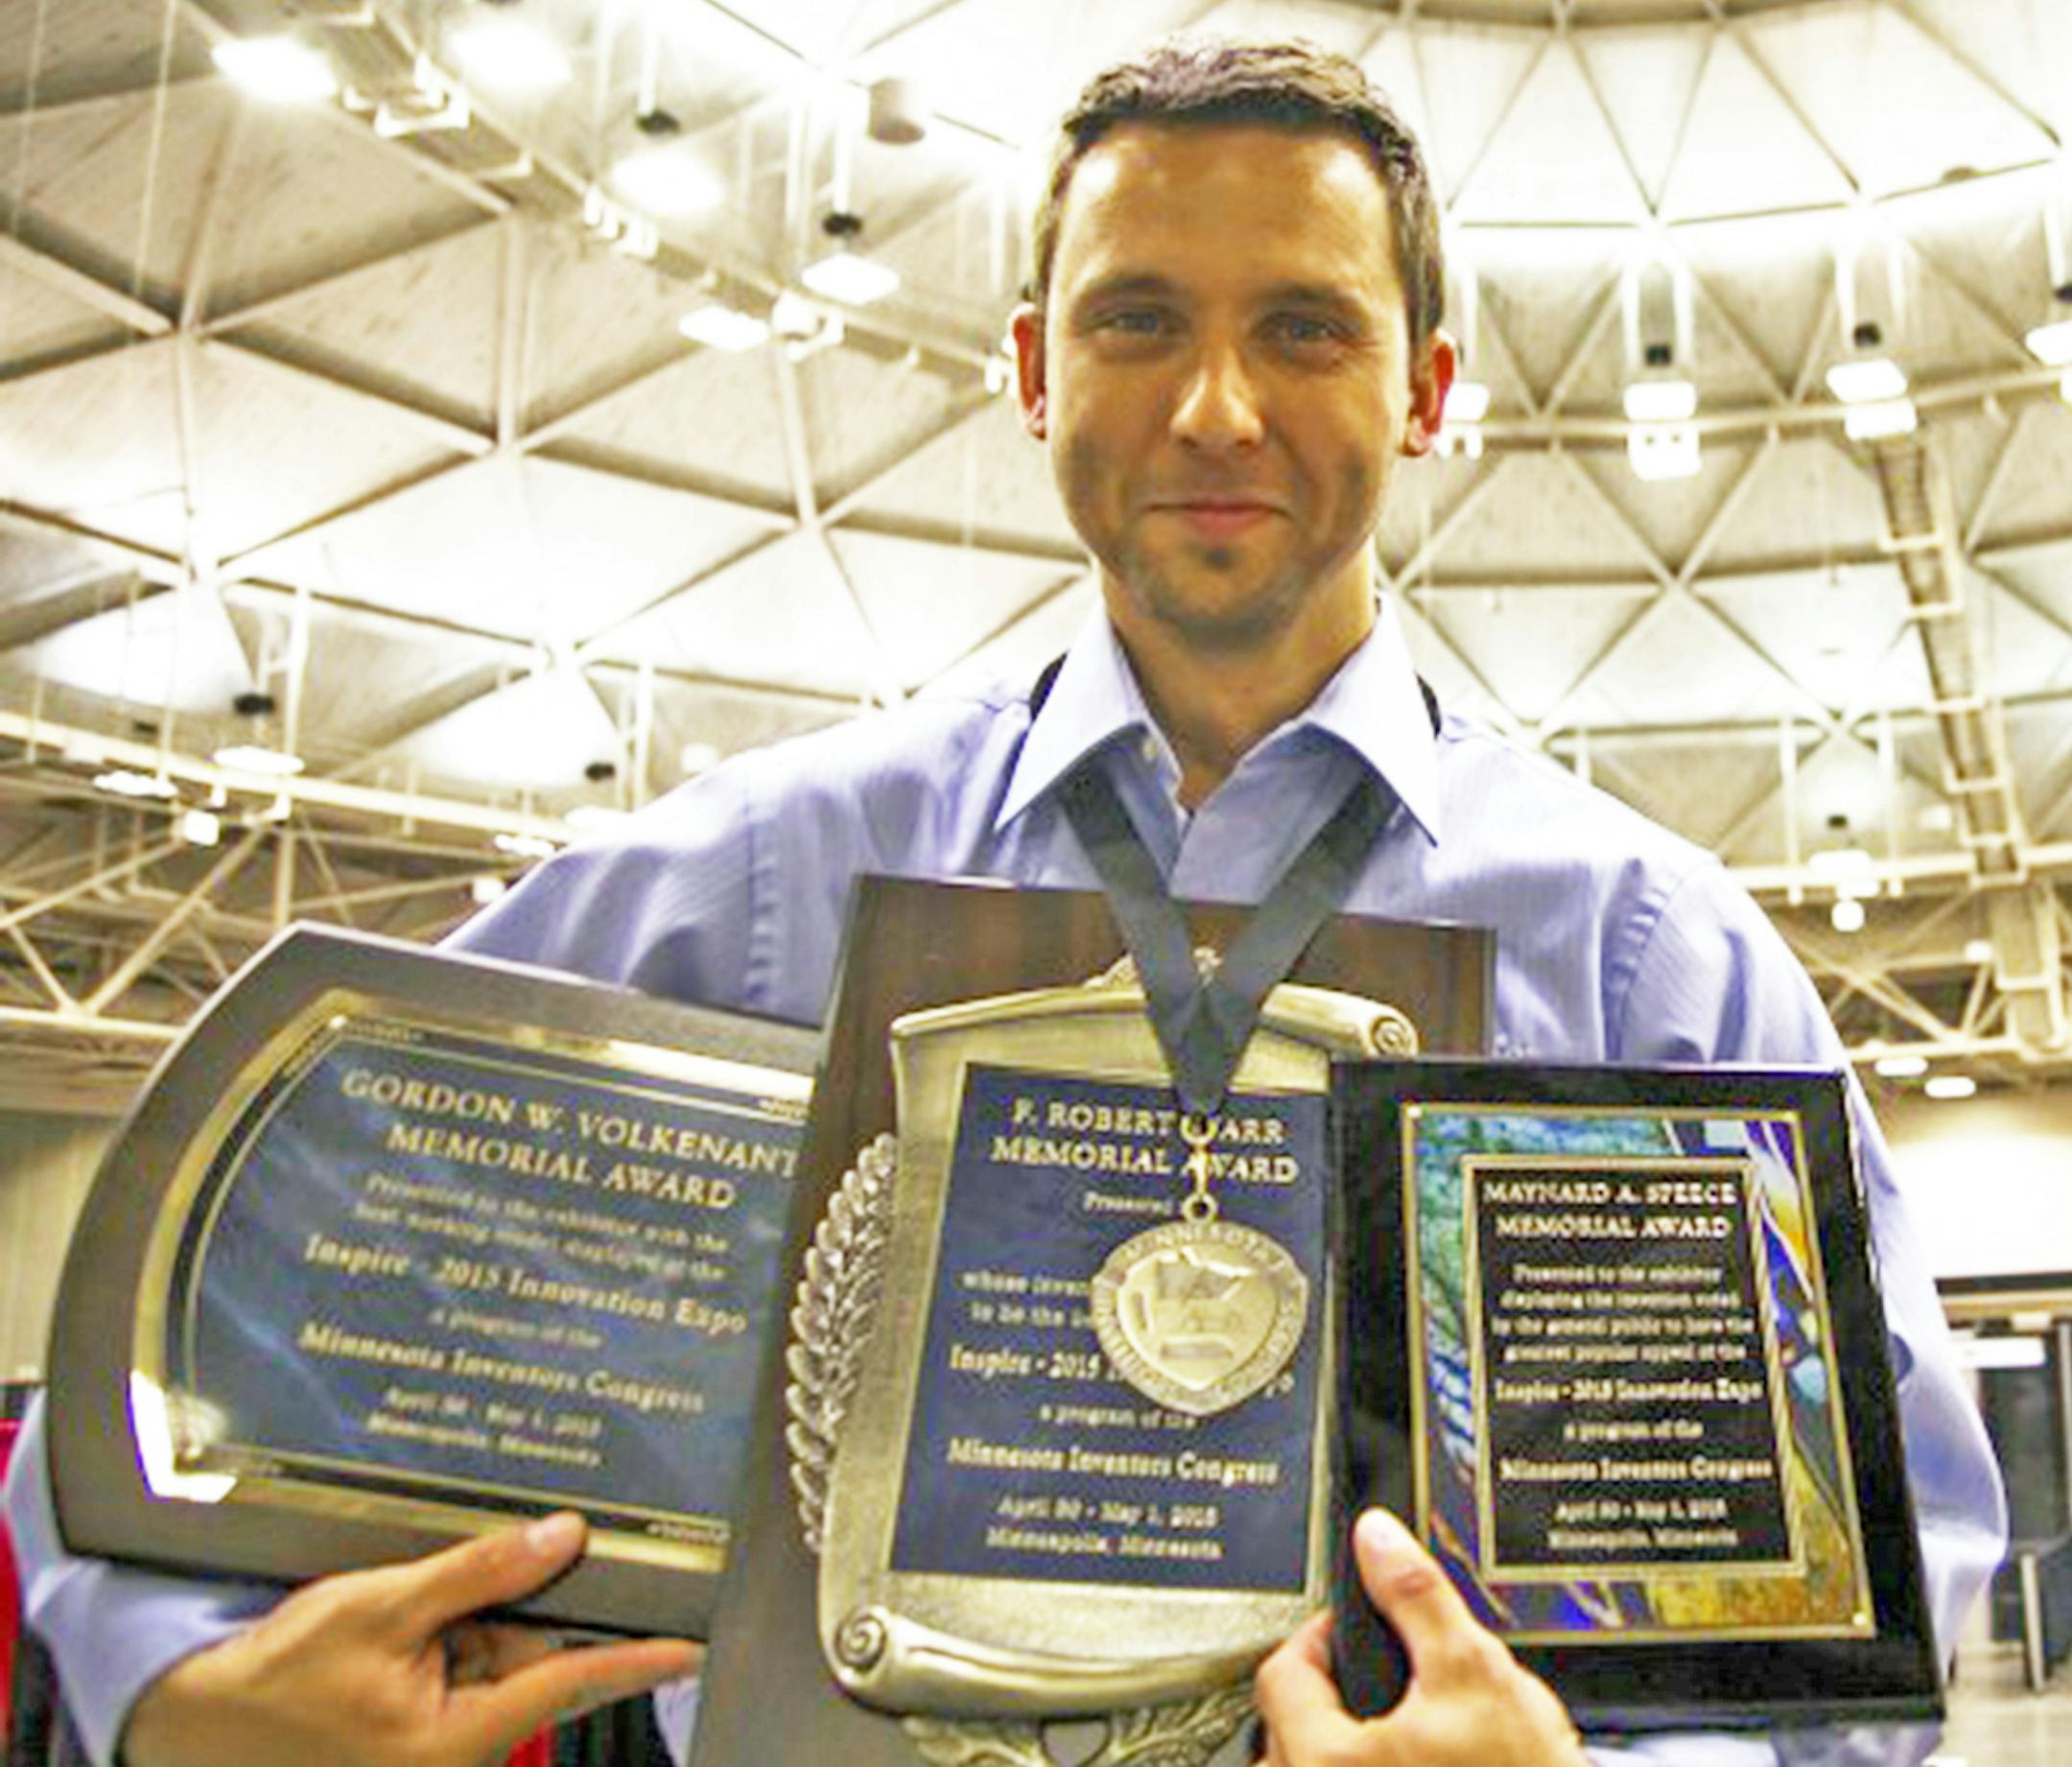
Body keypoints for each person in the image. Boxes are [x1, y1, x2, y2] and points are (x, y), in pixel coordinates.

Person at [3, 35, 2004, 1767]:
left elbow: (1890, 1568)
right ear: (1038, 367)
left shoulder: (1646, 958)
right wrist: (172, 1696)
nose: (1217, 405)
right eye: (1140, 319)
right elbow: (216, 1293)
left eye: (1304, 325)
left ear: (1427, 389)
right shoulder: (759, 884)